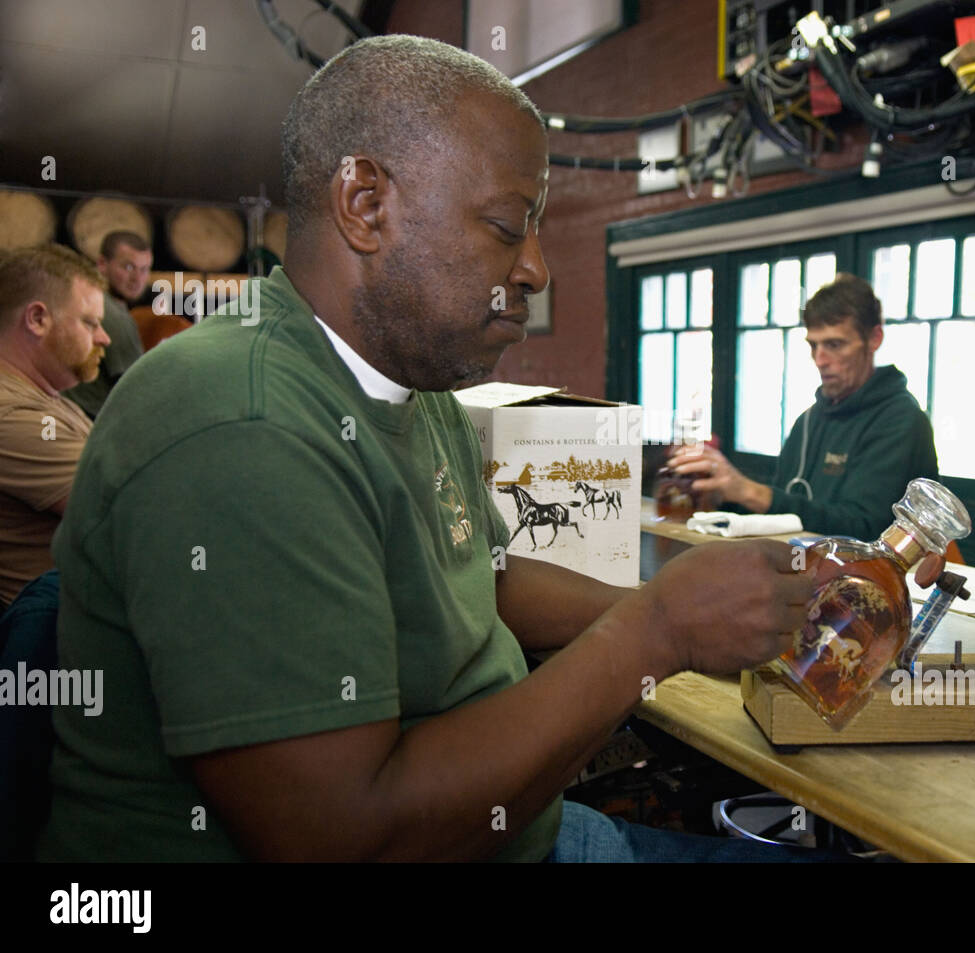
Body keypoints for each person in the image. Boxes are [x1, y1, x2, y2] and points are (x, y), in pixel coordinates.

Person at [40, 35, 900, 863]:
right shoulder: (241, 423)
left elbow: (483, 570)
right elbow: (346, 836)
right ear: (366, 205)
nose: (535, 270)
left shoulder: (405, 379)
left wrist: (680, 597)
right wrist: (659, 630)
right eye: (505, 226)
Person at [668, 273, 939, 541]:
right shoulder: (809, 420)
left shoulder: (901, 421)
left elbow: (866, 530)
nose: (820, 359)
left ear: (874, 339)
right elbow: (780, 517)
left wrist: (752, 492)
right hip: (801, 568)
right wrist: (718, 493)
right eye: (813, 345)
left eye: (834, 344)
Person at [0, 245, 109, 607]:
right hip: (52, 640)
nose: (104, 338)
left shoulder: (46, 397)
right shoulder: (13, 414)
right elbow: (133, 508)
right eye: (90, 323)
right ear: (37, 319)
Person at [64, 231, 148, 419]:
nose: (137, 278)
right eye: (128, 267)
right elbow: (137, 390)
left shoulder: (88, 301)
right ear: (102, 264)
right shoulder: (112, 315)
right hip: (94, 423)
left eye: (144, 269)